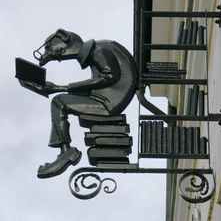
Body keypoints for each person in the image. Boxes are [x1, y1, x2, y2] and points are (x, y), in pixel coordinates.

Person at [21, 29, 137, 178]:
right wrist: (52, 88)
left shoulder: (99, 50)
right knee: (59, 100)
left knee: (59, 102)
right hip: (105, 99)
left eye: (55, 52)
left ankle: (66, 152)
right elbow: (101, 83)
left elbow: (109, 76)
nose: (59, 59)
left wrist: (60, 88)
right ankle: (65, 151)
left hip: (108, 103)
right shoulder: (99, 49)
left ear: (63, 37)